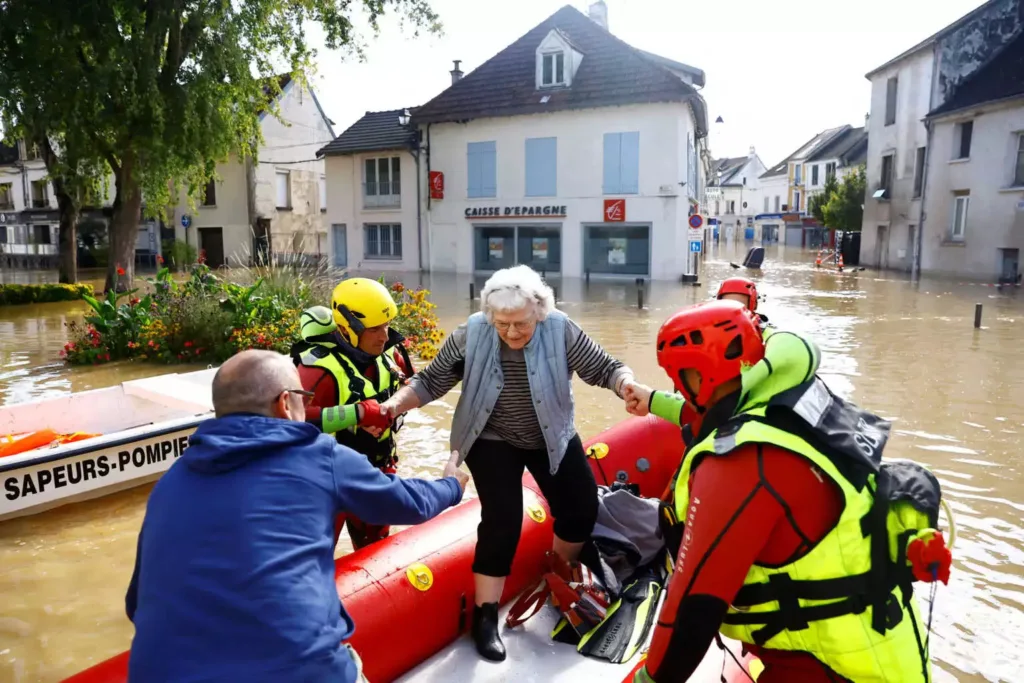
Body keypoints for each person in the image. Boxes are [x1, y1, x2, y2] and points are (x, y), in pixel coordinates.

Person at [631, 301, 936, 683]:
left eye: (681, 376)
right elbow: (708, 413)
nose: (677, 386)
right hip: (884, 650)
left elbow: (693, 602)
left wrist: (650, 678)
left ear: (701, 374)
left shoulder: (741, 462)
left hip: (834, 671)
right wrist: (654, 400)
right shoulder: (793, 403)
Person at [125, 349, 469, 683]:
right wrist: (451, 485)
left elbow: (135, 603)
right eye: (304, 398)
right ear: (286, 403)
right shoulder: (318, 457)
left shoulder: (172, 481)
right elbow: (411, 503)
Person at [379, 264, 643, 663]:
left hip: (550, 432)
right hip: (490, 435)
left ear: (539, 311)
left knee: (582, 506)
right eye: (502, 324)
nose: (511, 332)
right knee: (503, 518)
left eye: (520, 323)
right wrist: (396, 404)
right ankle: (485, 616)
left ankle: (563, 572)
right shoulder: (473, 331)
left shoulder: (559, 328)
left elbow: (604, 368)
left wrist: (626, 384)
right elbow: (432, 380)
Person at [292, 277, 415, 550]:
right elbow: (292, 419)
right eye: (374, 329)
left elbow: (415, 390)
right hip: (327, 482)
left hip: (377, 469)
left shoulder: (391, 355)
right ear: (348, 329)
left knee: (375, 551)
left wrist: (391, 412)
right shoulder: (317, 369)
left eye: (386, 325)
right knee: (316, 556)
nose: (384, 336)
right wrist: (357, 414)